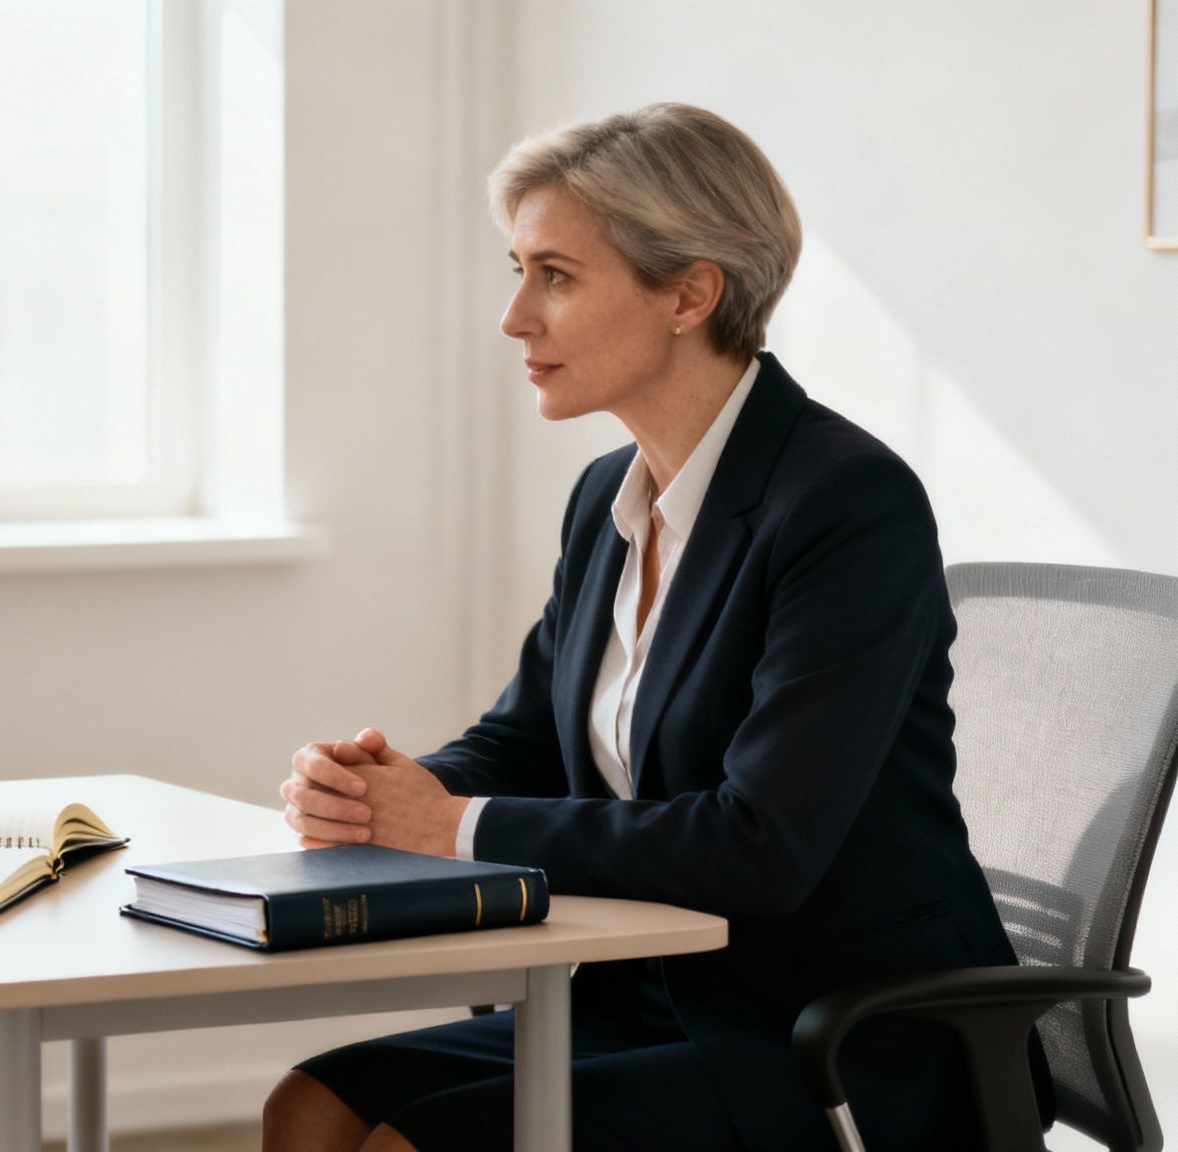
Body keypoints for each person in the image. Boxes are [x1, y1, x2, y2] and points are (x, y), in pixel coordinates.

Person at [264, 103, 1030, 1152]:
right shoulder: (605, 499)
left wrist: (443, 826)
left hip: (828, 1033)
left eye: (555, 275)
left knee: (416, 1145)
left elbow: (757, 845)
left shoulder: (845, 504)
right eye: (516, 269)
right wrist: (377, 793)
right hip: (650, 999)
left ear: (688, 293)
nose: (513, 318)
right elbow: (529, 740)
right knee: (308, 1108)